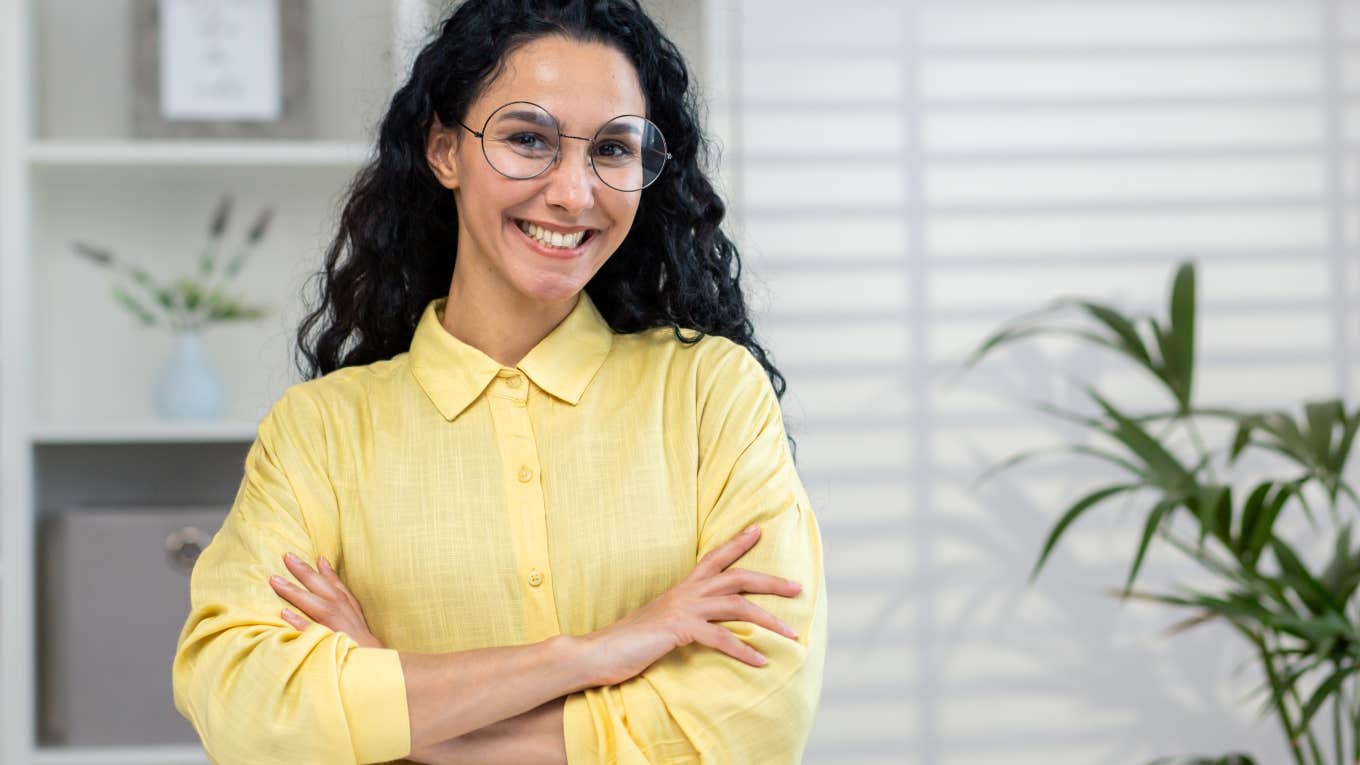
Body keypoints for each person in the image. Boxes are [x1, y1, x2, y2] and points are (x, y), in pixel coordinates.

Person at [170, 1, 827, 763]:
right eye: (527, 139)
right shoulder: (321, 431)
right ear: (445, 150)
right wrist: (591, 653)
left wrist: (420, 726)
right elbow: (242, 701)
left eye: (612, 150)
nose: (574, 193)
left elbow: (756, 713)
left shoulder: (710, 394)